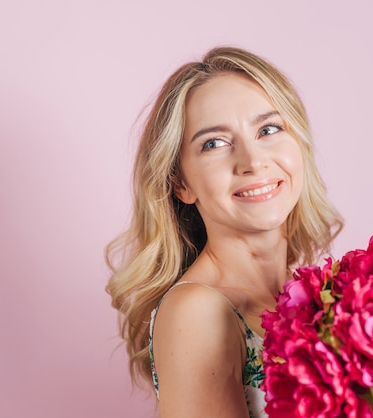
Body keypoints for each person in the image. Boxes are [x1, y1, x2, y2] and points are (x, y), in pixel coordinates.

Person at [106, 46, 343, 418]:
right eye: (214, 143)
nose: (252, 162)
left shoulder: (318, 290)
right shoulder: (197, 311)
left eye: (269, 129)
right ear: (181, 183)